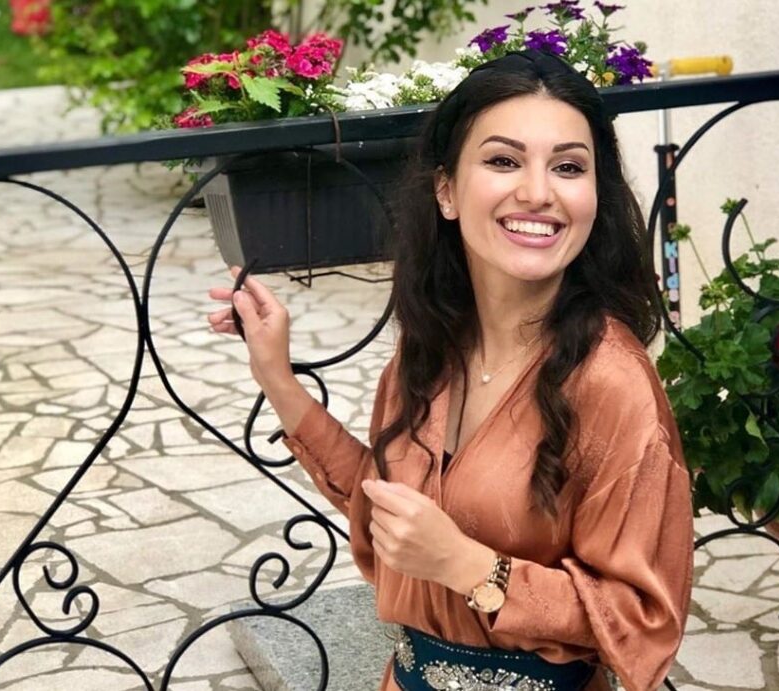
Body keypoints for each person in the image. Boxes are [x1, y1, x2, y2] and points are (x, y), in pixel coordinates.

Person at [207, 49, 693, 691]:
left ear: (595, 195)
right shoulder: (432, 345)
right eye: (503, 161)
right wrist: (276, 375)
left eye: (569, 167)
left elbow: (642, 619)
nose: (538, 192)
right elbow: (387, 509)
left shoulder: (610, 380)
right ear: (446, 191)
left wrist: (469, 566)